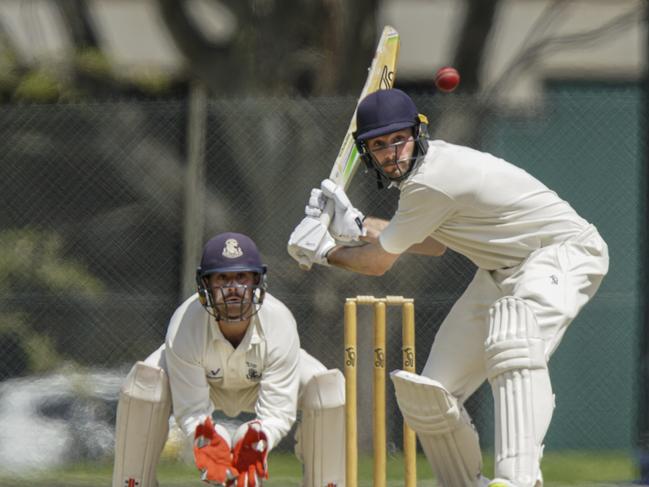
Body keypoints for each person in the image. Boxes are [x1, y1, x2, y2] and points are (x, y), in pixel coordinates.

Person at [287, 89, 609, 487]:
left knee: (514, 344)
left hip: (561, 254)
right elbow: (432, 242)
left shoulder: (431, 180)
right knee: (431, 397)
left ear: (417, 132)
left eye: (398, 139)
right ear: (366, 151)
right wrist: (355, 224)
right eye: (380, 145)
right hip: (500, 271)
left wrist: (325, 252)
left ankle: (518, 480)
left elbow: (379, 263)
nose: (392, 153)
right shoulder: (421, 179)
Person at [113, 232, 345, 487]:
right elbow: (192, 410)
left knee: (328, 389)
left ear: (257, 281)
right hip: (205, 387)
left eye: (241, 277)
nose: (233, 288)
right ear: (205, 285)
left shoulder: (279, 321)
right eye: (222, 278)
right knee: (143, 386)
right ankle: (132, 482)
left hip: (258, 388)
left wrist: (258, 439)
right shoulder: (185, 325)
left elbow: (277, 410)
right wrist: (208, 441)